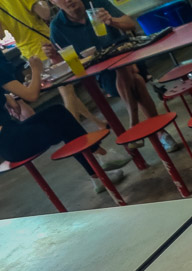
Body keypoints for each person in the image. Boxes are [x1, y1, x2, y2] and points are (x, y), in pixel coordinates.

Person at [48, 0, 179, 152]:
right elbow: (69, 64)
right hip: (105, 74)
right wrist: (54, 58)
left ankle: (136, 126)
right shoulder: (57, 27)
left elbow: (130, 24)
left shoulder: (96, 3)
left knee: (124, 68)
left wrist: (111, 20)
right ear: (53, 2)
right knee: (135, 79)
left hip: (129, 57)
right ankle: (159, 132)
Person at [0, 50, 126, 194]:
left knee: (58, 113)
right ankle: (101, 157)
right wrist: (35, 68)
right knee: (62, 120)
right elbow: (31, 95)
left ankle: (98, 170)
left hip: (8, 144)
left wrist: (5, 97)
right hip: (15, 143)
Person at [0, 0, 108, 130]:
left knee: (66, 89)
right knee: (67, 91)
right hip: (45, 47)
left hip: (28, 52)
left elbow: (1, 35)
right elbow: (45, 14)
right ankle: (76, 134)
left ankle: (97, 123)